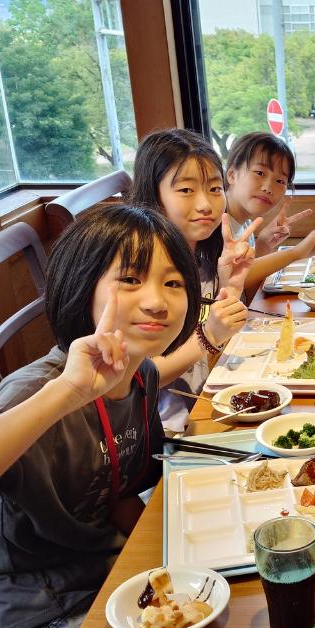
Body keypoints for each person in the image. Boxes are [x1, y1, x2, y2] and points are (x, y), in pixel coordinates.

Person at [0, 205, 202, 628]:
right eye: (130, 280)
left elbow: (118, 493)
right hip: (43, 611)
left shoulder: (142, 375)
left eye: (173, 283)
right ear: (81, 288)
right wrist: (66, 393)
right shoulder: (38, 392)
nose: (157, 301)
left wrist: (171, 559)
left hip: (105, 570)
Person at [127, 128, 256, 433]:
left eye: (214, 189)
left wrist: (230, 287)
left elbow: (212, 335)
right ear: (154, 195)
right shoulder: (142, 274)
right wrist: (208, 336)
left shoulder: (203, 258)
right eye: (186, 190)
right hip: (166, 430)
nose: (205, 205)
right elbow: (139, 376)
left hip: (208, 400)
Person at [221, 131, 315, 298]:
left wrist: (263, 245)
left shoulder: (245, 226)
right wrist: (296, 252)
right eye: (259, 173)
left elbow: (247, 296)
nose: (268, 187)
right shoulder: (214, 225)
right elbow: (228, 283)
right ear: (232, 174)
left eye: (280, 181)